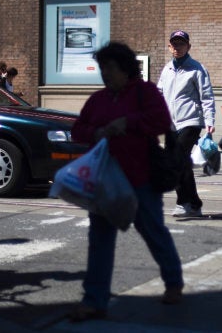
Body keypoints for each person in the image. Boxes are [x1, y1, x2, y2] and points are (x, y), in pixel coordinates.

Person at [69, 42, 184, 321]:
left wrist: (127, 122)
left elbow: (161, 121)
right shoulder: (97, 100)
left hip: (141, 178)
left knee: (153, 230)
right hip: (105, 182)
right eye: (101, 68)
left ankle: (173, 281)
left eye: (109, 67)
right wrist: (96, 132)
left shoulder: (145, 92)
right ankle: (94, 299)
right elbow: (77, 130)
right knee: (99, 240)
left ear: (125, 68)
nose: (104, 73)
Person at [157, 30, 215, 217]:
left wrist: (210, 121)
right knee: (179, 164)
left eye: (181, 44)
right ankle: (193, 203)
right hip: (171, 124)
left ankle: (184, 202)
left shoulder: (197, 69)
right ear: (169, 47)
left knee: (177, 160)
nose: (177, 47)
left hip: (190, 121)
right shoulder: (167, 69)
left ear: (188, 46)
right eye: (174, 44)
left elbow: (206, 97)